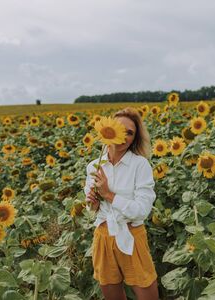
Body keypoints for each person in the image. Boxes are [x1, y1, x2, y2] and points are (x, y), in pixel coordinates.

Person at [84, 107, 159, 300]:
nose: (123, 136)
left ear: (135, 138)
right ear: (108, 130)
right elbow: (91, 210)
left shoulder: (140, 165)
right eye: (119, 129)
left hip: (131, 235)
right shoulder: (94, 166)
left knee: (147, 295)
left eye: (130, 133)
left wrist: (108, 194)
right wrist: (92, 203)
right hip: (102, 235)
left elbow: (142, 211)